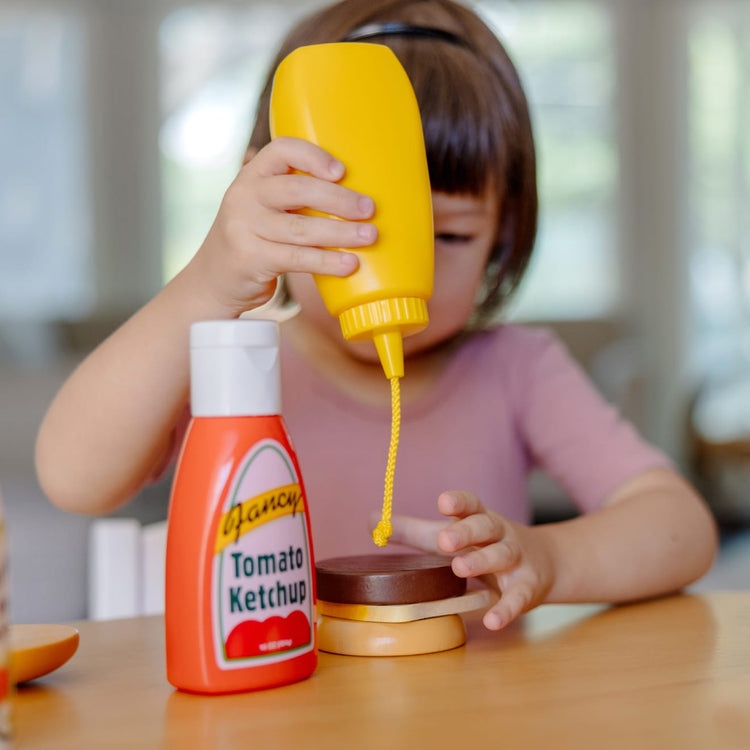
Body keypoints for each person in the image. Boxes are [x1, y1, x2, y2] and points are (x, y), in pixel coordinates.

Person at [35, 0, 717, 631]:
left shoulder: (518, 370)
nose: (402, 269)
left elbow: (680, 526)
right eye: (348, 228)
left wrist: (549, 558)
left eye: (447, 237)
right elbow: (73, 478)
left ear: (502, 237)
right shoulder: (232, 365)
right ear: (271, 203)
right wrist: (207, 283)